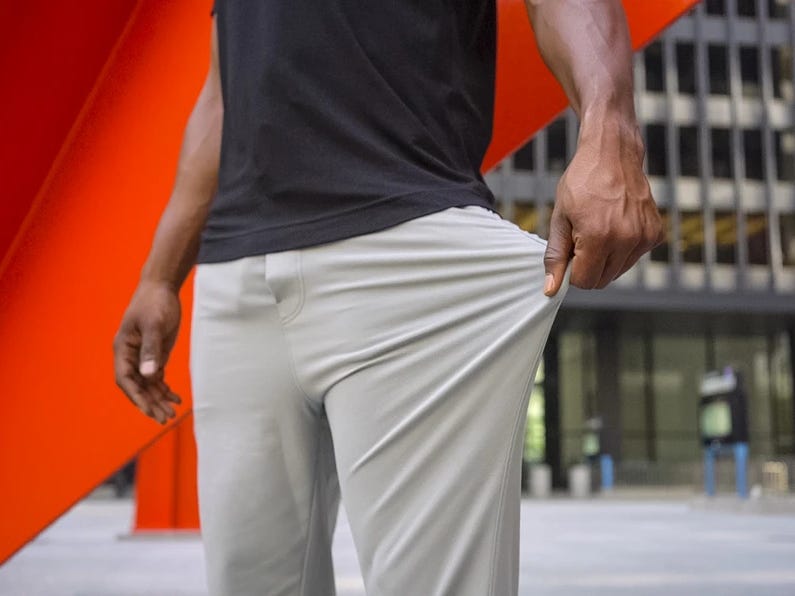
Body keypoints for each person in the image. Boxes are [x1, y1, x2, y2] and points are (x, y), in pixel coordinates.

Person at [113, 0, 663, 594]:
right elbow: (225, 93)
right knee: (245, 584)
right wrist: (160, 277)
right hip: (237, 278)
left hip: (411, 251)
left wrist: (611, 135)